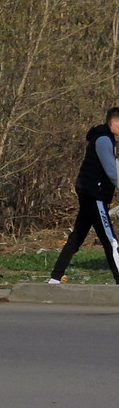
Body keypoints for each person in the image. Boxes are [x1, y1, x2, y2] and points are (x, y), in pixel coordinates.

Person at [48, 107, 119, 284]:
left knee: (77, 237)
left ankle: (55, 278)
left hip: (89, 193)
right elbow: (111, 172)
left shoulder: (105, 138)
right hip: (95, 194)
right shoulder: (103, 139)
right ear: (113, 122)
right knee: (111, 241)